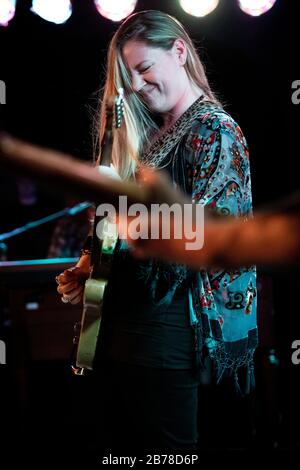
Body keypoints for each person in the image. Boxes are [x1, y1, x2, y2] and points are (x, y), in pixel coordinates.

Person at [56, 10, 257, 457]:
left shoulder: (215, 130)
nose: (140, 86)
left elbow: (216, 236)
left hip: (169, 330)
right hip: (123, 325)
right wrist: (90, 264)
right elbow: (113, 225)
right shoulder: (150, 139)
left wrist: (135, 229)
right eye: (131, 80)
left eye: (145, 69)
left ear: (179, 52)